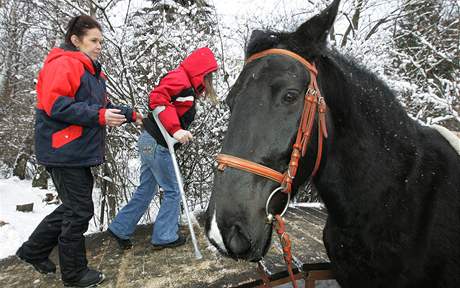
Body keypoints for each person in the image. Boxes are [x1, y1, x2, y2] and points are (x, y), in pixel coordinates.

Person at [15, 15, 142, 287]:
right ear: (76, 40)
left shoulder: (91, 71)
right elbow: (57, 106)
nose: (99, 46)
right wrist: (100, 116)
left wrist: (131, 114)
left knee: (75, 207)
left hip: (77, 149)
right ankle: (74, 274)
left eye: (101, 41)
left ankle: (33, 250)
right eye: (94, 41)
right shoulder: (64, 65)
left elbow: (102, 105)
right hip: (63, 148)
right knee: (79, 210)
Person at [107, 47, 218, 251]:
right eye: (208, 75)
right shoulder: (181, 79)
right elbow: (158, 98)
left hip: (149, 141)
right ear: (201, 71)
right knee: (174, 190)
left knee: (147, 188)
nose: (209, 81)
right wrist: (175, 130)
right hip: (157, 143)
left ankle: (120, 227)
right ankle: (164, 236)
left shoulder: (186, 85)